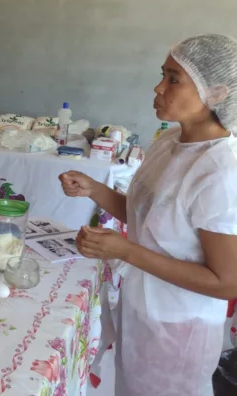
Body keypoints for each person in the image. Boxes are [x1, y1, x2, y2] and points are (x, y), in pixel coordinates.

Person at [59, 34, 237, 396]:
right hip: (140, 308)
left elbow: (227, 282)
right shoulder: (169, 143)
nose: (158, 87)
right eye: (163, 74)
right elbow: (144, 215)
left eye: (174, 79)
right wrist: (94, 188)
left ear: (216, 93)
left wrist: (126, 251)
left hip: (178, 327)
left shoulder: (220, 172)